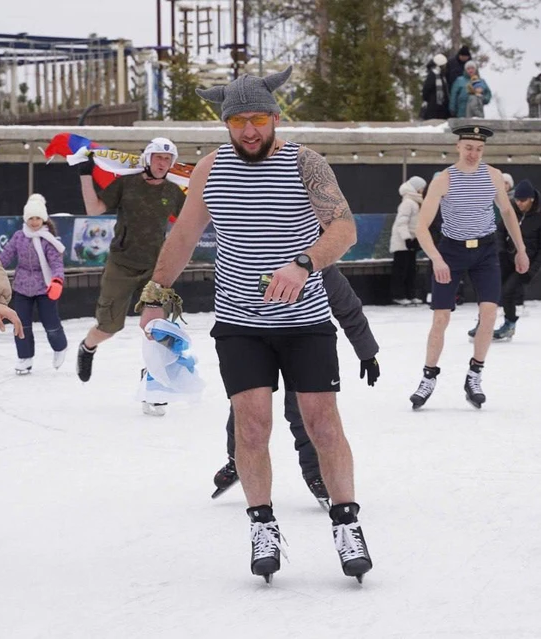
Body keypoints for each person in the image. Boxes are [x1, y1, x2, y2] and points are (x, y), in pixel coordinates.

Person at [137, 66, 370, 583]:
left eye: (258, 119)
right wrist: (155, 293)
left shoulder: (305, 162)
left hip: (306, 319)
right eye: (238, 120)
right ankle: (262, 524)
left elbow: (345, 229)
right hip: (240, 322)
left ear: (275, 117)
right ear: (225, 123)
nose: (249, 130)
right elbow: (181, 241)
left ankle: (347, 523)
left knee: (322, 424)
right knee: (253, 425)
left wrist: (304, 263)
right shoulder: (209, 171)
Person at [213, 264, 380, 510]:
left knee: (306, 414)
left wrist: (367, 353)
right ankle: (237, 460)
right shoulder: (250, 264)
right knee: (246, 413)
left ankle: (316, 473)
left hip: (302, 343)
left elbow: (349, 310)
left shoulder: (322, 271)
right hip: (255, 342)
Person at [409, 125, 529, 410]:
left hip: (486, 251)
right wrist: (437, 258)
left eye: (479, 149)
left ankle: (475, 374)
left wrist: (521, 249)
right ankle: (428, 377)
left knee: (489, 314)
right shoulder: (444, 180)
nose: (474, 153)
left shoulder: (494, 176)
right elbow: (421, 227)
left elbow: (508, 213)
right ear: (458, 148)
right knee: (441, 318)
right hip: (451, 251)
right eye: (468, 148)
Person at [73, 136, 186, 399]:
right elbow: (94, 208)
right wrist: (84, 175)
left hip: (156, 268)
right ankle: (88, 347)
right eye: (158, 157)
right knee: (109, 326)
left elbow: (192, 220)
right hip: (121, 264)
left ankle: (152, 378)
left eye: (167, 159)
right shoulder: (127, 184)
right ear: (147, 159)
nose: (162, 163)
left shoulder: (172, 191)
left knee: (156, 328)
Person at [0, 194, 68, 374]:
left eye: (37, 218)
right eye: (31, 218)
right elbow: (6, 256)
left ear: (43, 218)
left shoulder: (48, 239)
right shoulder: (19, 236)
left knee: (51, 324)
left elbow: (56, 263)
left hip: (45, 288)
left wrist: (57, 280)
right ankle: (25, 358)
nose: (34, 222)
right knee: (21, 325)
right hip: (22, 287)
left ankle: (60, 347)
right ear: (25, 219)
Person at [489, 179, 541, 341]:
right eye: (517, 200)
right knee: (492, 290)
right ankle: (484, 324)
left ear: (531, 199)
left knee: (508, 292)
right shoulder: (511, 207)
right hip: (506, 257)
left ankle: (509, 325)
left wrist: (532, 270)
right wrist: (502, 252)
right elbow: (499, 231)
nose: (519, 204)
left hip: (526, 263)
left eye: (523, 200)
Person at [390, 176, 427, 305]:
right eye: (421, 187)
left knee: (411, 269)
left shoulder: (416, 202)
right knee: (401, 270)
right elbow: (401, 222)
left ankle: (410, 295)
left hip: (411, 241)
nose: (423, 190)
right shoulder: (408, 202)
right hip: (402, 243)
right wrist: (407, 239)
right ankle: (399, 295)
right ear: (416, 188)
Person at [420, 54, 451, 120]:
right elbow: (426, 90)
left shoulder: (442, 75)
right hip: (433, 106)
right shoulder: (432, 75)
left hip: (442, 106)